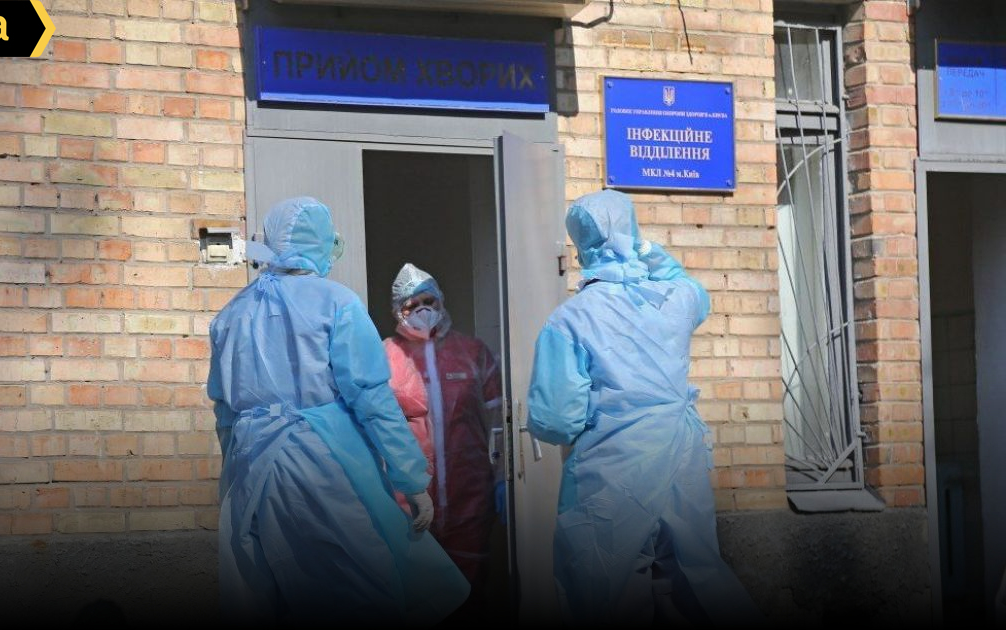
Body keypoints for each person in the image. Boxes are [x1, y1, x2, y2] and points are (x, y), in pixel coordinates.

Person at [207, 197, 470, 626]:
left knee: (271, 592)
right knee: (359, 590)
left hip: (250, 471)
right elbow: (372, 397)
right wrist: (411, 478)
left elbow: (224, 413)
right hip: (321, 467)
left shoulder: (231, 315)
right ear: (319, 241)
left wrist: (231, 480)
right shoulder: (336, 302)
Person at [525, 189, 763, 627]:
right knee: (697, 582)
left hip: (612, 471)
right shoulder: (673, 299)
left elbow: (555, 421)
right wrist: (651, 253)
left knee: (603, 592)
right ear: (632, 231)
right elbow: (698, 293)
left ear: (579, 245)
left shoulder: (570, 320)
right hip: (681, 459)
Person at [382, 263, 505, 615]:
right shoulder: (386, 355)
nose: (422, 310)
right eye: (412, 305)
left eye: (429, 301)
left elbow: (499, 420)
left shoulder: (473, 352)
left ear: (441, 301)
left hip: (470, 494)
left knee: (471, 592)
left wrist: (502, 479)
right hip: (409, 500)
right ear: (398, 311)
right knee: (419, 597)